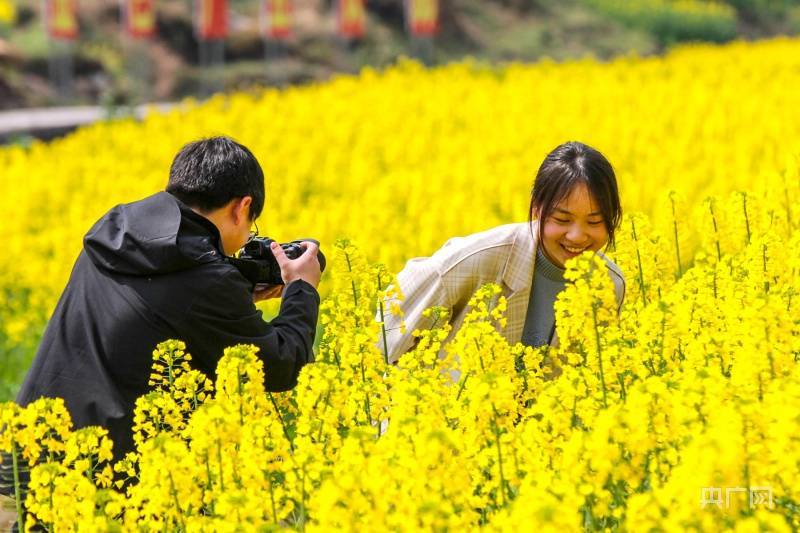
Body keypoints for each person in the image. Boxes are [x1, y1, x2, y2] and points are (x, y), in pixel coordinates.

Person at [14, 136, 323, 462]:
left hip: (40, 443)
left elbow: (153, 306)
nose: (248, 238)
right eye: (252, 227)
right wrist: (302, 288)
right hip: (113, 473)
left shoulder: (116, 232)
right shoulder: (205, 277)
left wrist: (240, 292)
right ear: (241, 207)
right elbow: (281, 366)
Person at [382, 141, 625, 364]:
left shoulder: (608, 284)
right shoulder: (476, 259)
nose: (577, 236)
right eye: (562, 219)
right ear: (536, 209)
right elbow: (385, 338)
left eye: (594, 223)